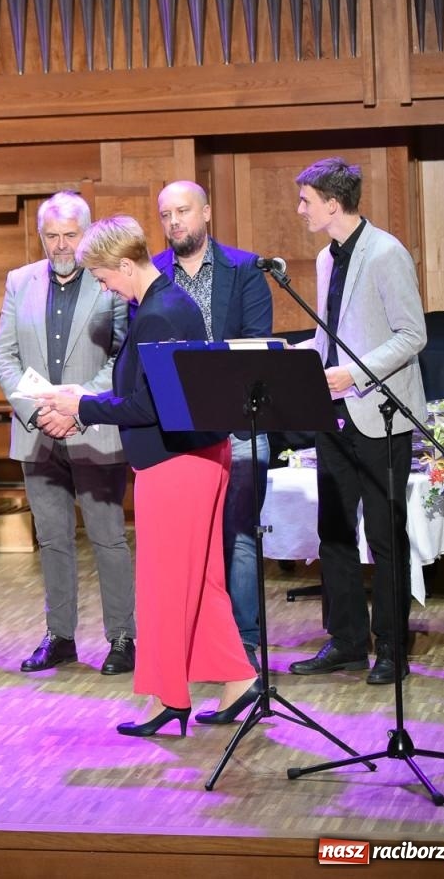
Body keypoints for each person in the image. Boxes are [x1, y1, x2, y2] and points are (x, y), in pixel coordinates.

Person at [40, 217, 257, 736]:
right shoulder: (167, 303)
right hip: (197, 457)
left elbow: (148, 404)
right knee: (202, 581)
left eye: (102, 276)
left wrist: (82, 407)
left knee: (162, 585)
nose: (101, 285)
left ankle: (168, 698)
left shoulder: (160, 314)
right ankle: (237, 680)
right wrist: (84, 408)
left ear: (123, 265)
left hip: (176, 464)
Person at [287, 158, 427, 686]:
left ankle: (392, 647)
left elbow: (412, 335)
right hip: (335, 410)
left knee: (386, 534)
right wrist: (296, 360)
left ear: (332, 203)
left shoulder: (387, 253)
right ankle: (347, 640)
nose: (300, 210)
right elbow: (331, 334)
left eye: (306, 200)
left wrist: (354, 374)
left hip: (380, 411)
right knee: (335, 530)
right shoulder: (326, 257)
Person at [0, 193, 135, 676]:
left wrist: (78, 410)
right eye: (51, 235)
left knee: (108, 538)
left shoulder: (107, 281)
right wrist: (38, 413)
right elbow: (5, 356)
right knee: (52, 540)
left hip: (92, 429)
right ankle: (61, 637)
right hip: (37, 432)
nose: (60, 245)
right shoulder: (19, 281)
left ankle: (123, 637)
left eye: (70, 235)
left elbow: (121, 359)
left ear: (87, 233)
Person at [154, 181, 275, 672]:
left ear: (207, 211)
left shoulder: (244, 269)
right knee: (188, 542)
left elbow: (255, 343)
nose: (174, 221)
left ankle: (243, 644)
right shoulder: (156, 275)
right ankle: (194, 640)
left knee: (240, 536)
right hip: (178, 431)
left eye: (183, 211)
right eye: (165, 215)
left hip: (239, 424)